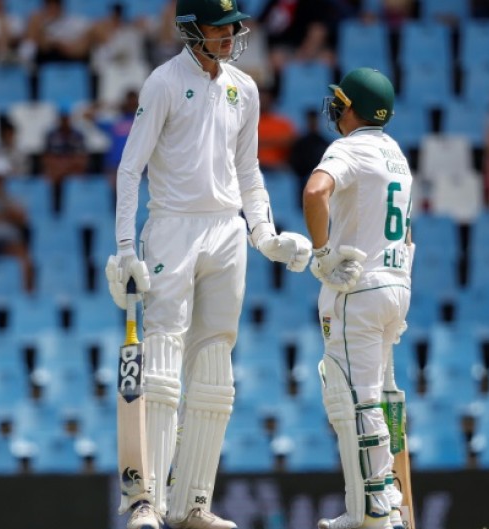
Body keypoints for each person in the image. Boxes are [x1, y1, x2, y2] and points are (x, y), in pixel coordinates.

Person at [105, 1, 311, 528]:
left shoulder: (245, 87)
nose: (231, 35)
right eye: (220, 27)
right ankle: (143, 501)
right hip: (173, 225)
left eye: (233, 26)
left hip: (227, 230)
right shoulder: (164, 82)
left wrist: (264, 233)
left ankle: (192, 503)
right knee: (164, 361)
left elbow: (249, 170)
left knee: (216, 368)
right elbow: (130, 169)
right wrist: (127, 248)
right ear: (192, 30)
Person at [302, 68, 411, 529]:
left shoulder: (349, 148)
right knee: (374, 398)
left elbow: (315, 191)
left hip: (357, 288)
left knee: (356, 400)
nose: (335, 109)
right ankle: (370, 504)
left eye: (341, 101)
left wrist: (323, 252)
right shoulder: (396, 155)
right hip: (395, 286)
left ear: (353, 109)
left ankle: (376, 511)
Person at [18, 0, 92, 65]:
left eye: (54, 6)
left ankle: (24, 57)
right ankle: (23, 58)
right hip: (48, 56)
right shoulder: (41, 22)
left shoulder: (75, 22)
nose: (52, 10)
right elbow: (44, 46)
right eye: (49, 6)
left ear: (61, 7)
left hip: (71, 56)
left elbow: (86, 42)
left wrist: (64, 46)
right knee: (34, 20)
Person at [42, 105, 89, 184]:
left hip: (73, 170)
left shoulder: (78, 136)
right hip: (56, 171)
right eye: (62, 118)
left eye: (66, 118)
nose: (65, 121)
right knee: (47, 176)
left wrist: (65, 168)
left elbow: (82, 159)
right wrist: (61, 168)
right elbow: (47, 158)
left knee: (81, 175)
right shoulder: (51, 135)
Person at [256, 89, 296, 171]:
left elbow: (290, 142)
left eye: (265, 99)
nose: (262, 102)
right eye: (260, 99)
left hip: (278, 168)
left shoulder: (282, 123)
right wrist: (274, 141)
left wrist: (261, 142)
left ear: (271, 100)